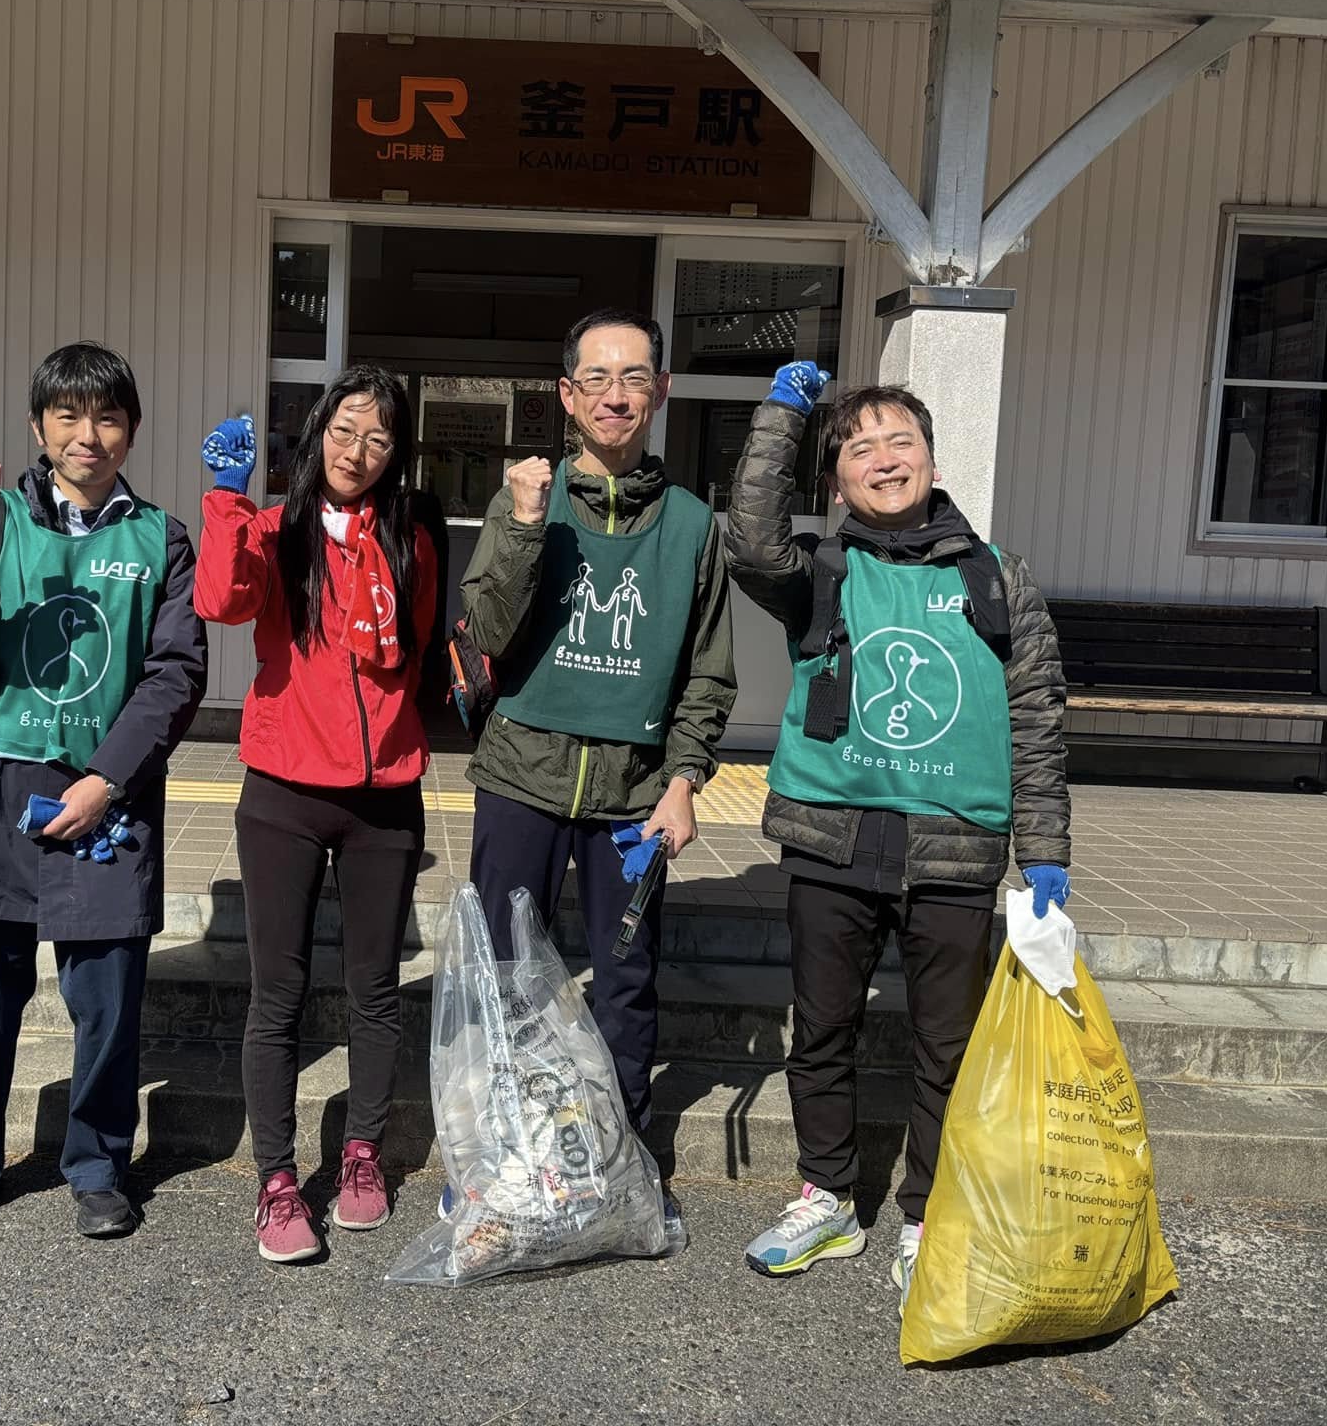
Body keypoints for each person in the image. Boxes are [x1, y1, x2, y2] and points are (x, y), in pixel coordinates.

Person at [725, 362, 1071, 1311]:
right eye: (859, 448)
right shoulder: (823, 574)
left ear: (930, 455)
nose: (883, 459)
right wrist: (782, 419)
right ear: (835, 480)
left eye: (899, 442)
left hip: (954, 853)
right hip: (833, 847)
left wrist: (1045, 850)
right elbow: (749, 538)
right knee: (822, 1031)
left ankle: (925, 1212)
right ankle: (829, 1194)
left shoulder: (998, 578)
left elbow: (1035, 712)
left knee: (945, 1047)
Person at [0, 341, 207, 1241]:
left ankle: (98, 1164)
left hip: (105, 798)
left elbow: (174, 673)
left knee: (107, 1003)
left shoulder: (161, 538)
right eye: (68, 416)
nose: (88, 435)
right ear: (39, 427)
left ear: (132, 431)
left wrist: (108, 780)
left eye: (107, 417)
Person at [458, 307, 737, 1184]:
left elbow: (707, 671)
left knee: (625, 982)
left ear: (660, 391)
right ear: (567, 396)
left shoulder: (692, 525)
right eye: (598, 379)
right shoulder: (524, 500)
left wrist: (686, 778)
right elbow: (489, 633)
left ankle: (616, 1166)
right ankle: (502, 1156)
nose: (617, 396)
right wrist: (526, 524)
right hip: (521, 777)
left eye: (634, 378)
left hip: (633, 794)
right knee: (506, 974)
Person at [194, 366, 440, 1264]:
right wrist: (225, 498)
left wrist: (390, 732)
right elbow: (219, 601)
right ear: (317, 434)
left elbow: (412, 646)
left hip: (385, 797)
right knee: (280, 993)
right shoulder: (274, 528)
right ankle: (277, 1180)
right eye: (345, 431)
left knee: (375, 989)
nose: (358, 452)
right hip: (285, 794)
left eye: (378, 439)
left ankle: (364, 1156)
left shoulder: (411, 536)